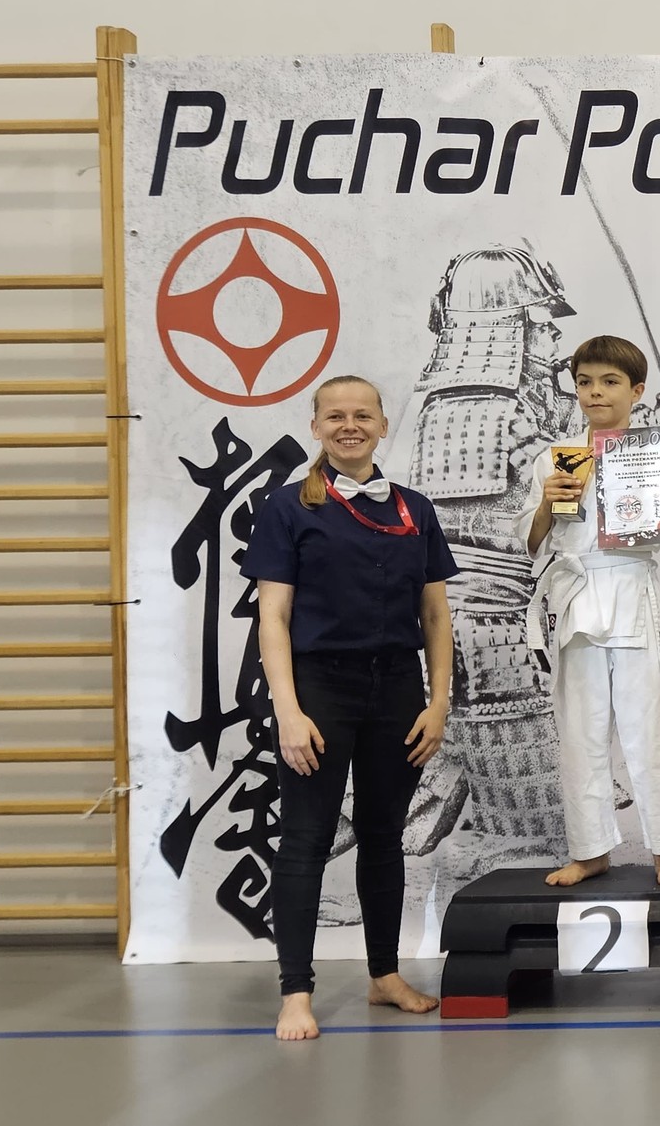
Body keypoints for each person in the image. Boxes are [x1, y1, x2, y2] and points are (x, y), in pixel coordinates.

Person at [244, 374, 458, 1041]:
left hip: (397, 689)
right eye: (335, 416)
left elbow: (435, 614)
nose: (349, 426)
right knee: (306, 838)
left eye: (362, 415)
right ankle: (296, 991)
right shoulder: (287, 506)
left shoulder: (415, 509)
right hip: (319, 689)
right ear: (316, 427)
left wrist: (439, 701)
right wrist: (288, 710)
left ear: (382, 425)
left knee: (383, 834)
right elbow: (273, 617)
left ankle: (384, 975)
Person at [520, 335, 660, 887]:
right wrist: (548, 500)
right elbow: (530, 542)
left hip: (634, 590)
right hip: (576, 597)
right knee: (581, 731)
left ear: (637, 390)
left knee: (650, 728)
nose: (595, 392)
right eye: (585, 382)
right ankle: (590, 849)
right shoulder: (554, 458)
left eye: (609, 381)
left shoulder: (658, 455)